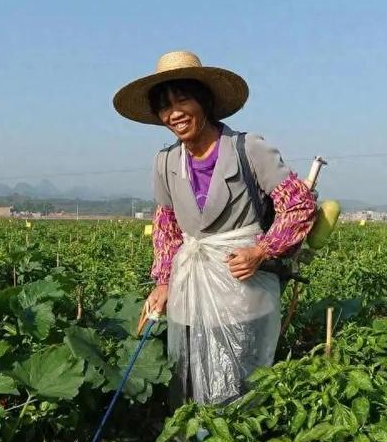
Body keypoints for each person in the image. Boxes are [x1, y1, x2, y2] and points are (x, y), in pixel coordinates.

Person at [113, 51, 317, 406]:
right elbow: (167, 224)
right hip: (191, 285)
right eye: (165, 106)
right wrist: (163, 282)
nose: (174, 113)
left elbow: (299, 205)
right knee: (189, 374)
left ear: (204, 100)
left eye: (182, 99)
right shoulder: (165, 162)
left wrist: (261, 251)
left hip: (242, 285)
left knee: (236, 381)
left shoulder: (247, 148)